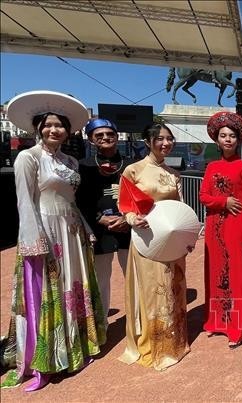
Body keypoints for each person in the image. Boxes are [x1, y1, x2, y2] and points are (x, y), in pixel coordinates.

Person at [3, 91, 105, 391]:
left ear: (67, 130)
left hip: (71, 232)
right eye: (48, 124)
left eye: (59, 125)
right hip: (45, 230)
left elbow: (70, 202)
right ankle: (44, 361)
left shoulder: (71, 160)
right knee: (48, 293)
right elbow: (25, 202)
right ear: (37, 127)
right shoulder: (28, 157)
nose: (53, 130)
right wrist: (34, 241)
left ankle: (77, 348)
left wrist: (85, 226)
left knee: (72, 288)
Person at [118, 123, 189, 370]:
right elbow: (124, 205)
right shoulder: (133, 170)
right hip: (146, 238)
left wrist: (187, 236)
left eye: (169, 139)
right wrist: (131, 219)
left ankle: (175, 342)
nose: (165, 144)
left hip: (171, 240)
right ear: (148, 141)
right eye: (160, 139)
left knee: (174, 287)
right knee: (152, 291)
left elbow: (180, 209)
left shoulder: (174, 173)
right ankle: (155, 344)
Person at [199, 112, 242, 347]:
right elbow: (203, 196)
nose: (228, 139)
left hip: (236, 228)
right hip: (214, 229)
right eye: (223, 136)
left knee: (236, 277)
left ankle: (238, 329)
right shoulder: (211, 166)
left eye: (232, 135)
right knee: (215, 275)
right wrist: (224, 202)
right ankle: (216, 322)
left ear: (238, 140)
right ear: (217, 140)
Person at [76, 118, 131, 327]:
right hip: (100, 230)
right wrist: (100, 218)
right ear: (90, 139)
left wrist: (128, 217)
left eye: (110, 134)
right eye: (99, 135)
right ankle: (101, 325)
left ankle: (137, 322)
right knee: (100, 279)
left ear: (117, 137)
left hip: (129, 227)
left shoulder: (132, 164)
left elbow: (143, 195)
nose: (105, 138)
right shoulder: (83, 166)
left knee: (133, 277)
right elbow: (79, 199)